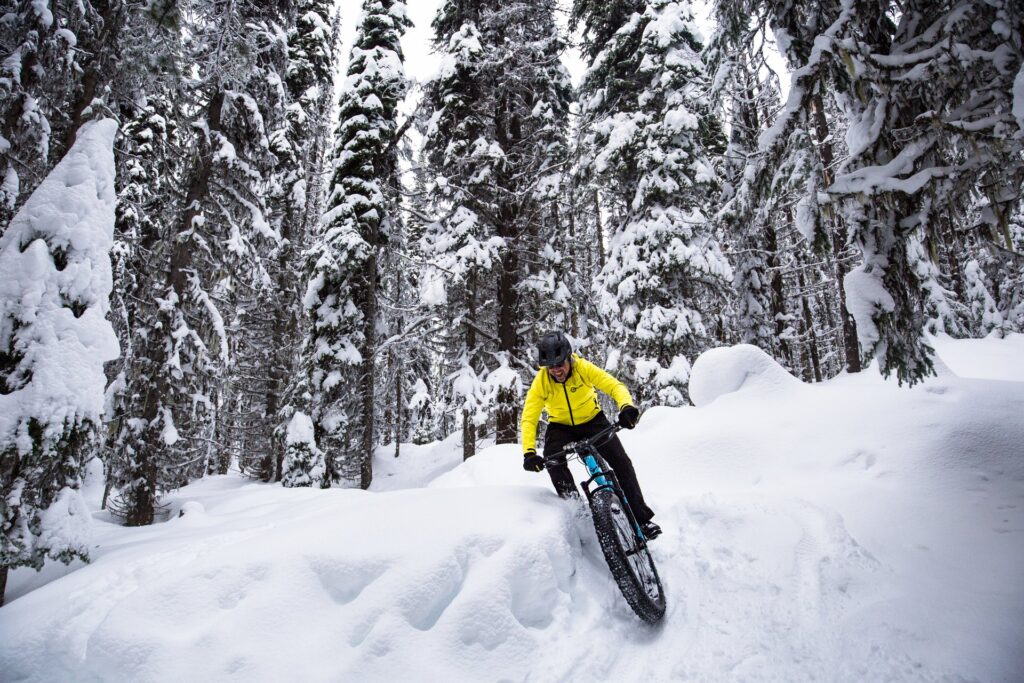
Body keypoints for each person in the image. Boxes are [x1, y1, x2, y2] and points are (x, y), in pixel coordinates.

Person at [520, 331, 661, 540]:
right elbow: (529, 418)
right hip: (560, 426)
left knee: (622, 463)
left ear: (568, 358)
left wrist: (626, 407)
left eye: (560, 364)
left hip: (592, 420)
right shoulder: (541, 382)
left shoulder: (583, 368)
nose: (556, 371)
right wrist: (529, 452)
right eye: (551, 367)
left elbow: (614, 386)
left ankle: (642, 519)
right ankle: (577, 514)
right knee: (553, 461)